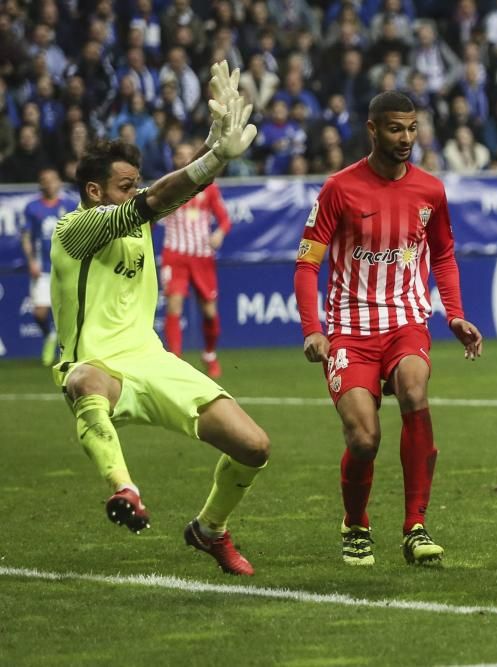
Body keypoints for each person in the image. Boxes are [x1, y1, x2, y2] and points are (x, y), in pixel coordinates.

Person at [49, 62, 268, 576]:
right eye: (124, 185)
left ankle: (209, 530)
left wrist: (211, 155)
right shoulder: (74, 230)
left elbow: (171, 193)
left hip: (152, 360)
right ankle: (124, 488)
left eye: (136, 183)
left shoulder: (136, 216)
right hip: (99, 363)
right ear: (94, 192)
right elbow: (154, 201)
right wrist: (212, 158)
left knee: (254, 446)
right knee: (83, 382)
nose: (135, 191)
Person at [294, 91, 483, 567]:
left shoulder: (430, 191)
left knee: (415, 393)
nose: (406, 139)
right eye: (396, 129)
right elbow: (306, 264)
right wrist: (313, 330)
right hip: (351, 331)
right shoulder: (339, 188)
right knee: (364, 439)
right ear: (373, 129)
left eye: (413, 128)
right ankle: (356, 522)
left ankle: (415, 526)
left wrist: (454, 313)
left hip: (405, 322)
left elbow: (442, 254)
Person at [159, 142, 232, 378]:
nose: (184, 159)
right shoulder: (168, 184)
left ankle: (209, 354)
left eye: (187, 155)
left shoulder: (208, 187)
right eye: (179, 155)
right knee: (174, 306)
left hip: (201, 256)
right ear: (174, 159)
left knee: (210, 313)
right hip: (175, 255)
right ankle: (175, 360)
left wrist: (219, 233)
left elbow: (224, 219)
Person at [19, 167, 77, 365]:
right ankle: (50, 335)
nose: (49, 183)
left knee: (71, 311)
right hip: (43, 267)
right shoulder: (32, 207)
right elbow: (26, 236)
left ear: (59, 182)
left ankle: (68, 349)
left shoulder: (70, 204)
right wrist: (31, 261)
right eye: (45, 180)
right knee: (40, 312)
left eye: (53, 179)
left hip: (67, 267)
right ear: (40, 183)